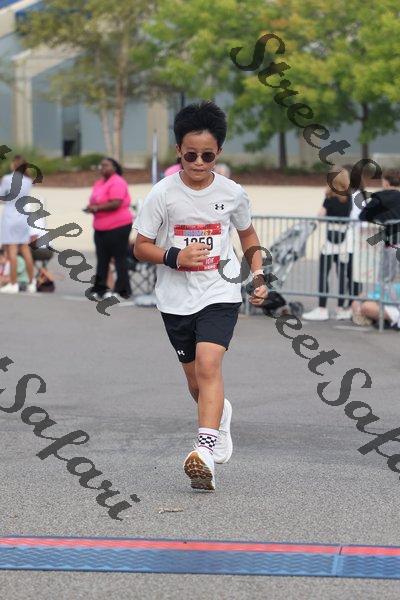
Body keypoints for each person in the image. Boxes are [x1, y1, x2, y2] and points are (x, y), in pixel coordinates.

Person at [133, 101, 268, 492]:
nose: (198, 162)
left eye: (207, 156)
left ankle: (204, 451)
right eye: (190, 155)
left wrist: (258, 274)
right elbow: (140, 246)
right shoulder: (162, 195)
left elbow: (247, 235)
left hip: (219, 291)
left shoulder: (232, 193)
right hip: (174, 299)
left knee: (210, 366)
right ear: (178, 150)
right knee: (196, 383)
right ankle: (220, 415)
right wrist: (174, 257)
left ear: (219, 153)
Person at [303, 167, 352, 321]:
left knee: (324, 274)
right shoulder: (349, 197)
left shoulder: (329, 198)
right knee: (342, 275)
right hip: (345, 242)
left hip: (330, 242)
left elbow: (320, 215)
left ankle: (322, 308)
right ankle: (340, 308)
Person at [84, 157, 134, 300]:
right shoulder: (99, 183)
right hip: (100, 227)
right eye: (101, 165)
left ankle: (122, 290)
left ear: (114, 167)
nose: (102, 167)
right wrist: (90, 207)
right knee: (102, 259)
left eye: (106, 165)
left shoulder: (118, 182)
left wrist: (96, 208)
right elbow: (94, 200)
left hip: (118, 226)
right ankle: (100, 289)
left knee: (119, 259)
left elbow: (116, 203)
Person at [0, 155, 36, 294]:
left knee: (12, 252)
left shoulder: (7, 179)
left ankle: (13, 283)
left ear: (14, 165)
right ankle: (32, 282)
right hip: (22, 219)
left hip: (10, 218)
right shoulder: (28, 181)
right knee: (25, 251)